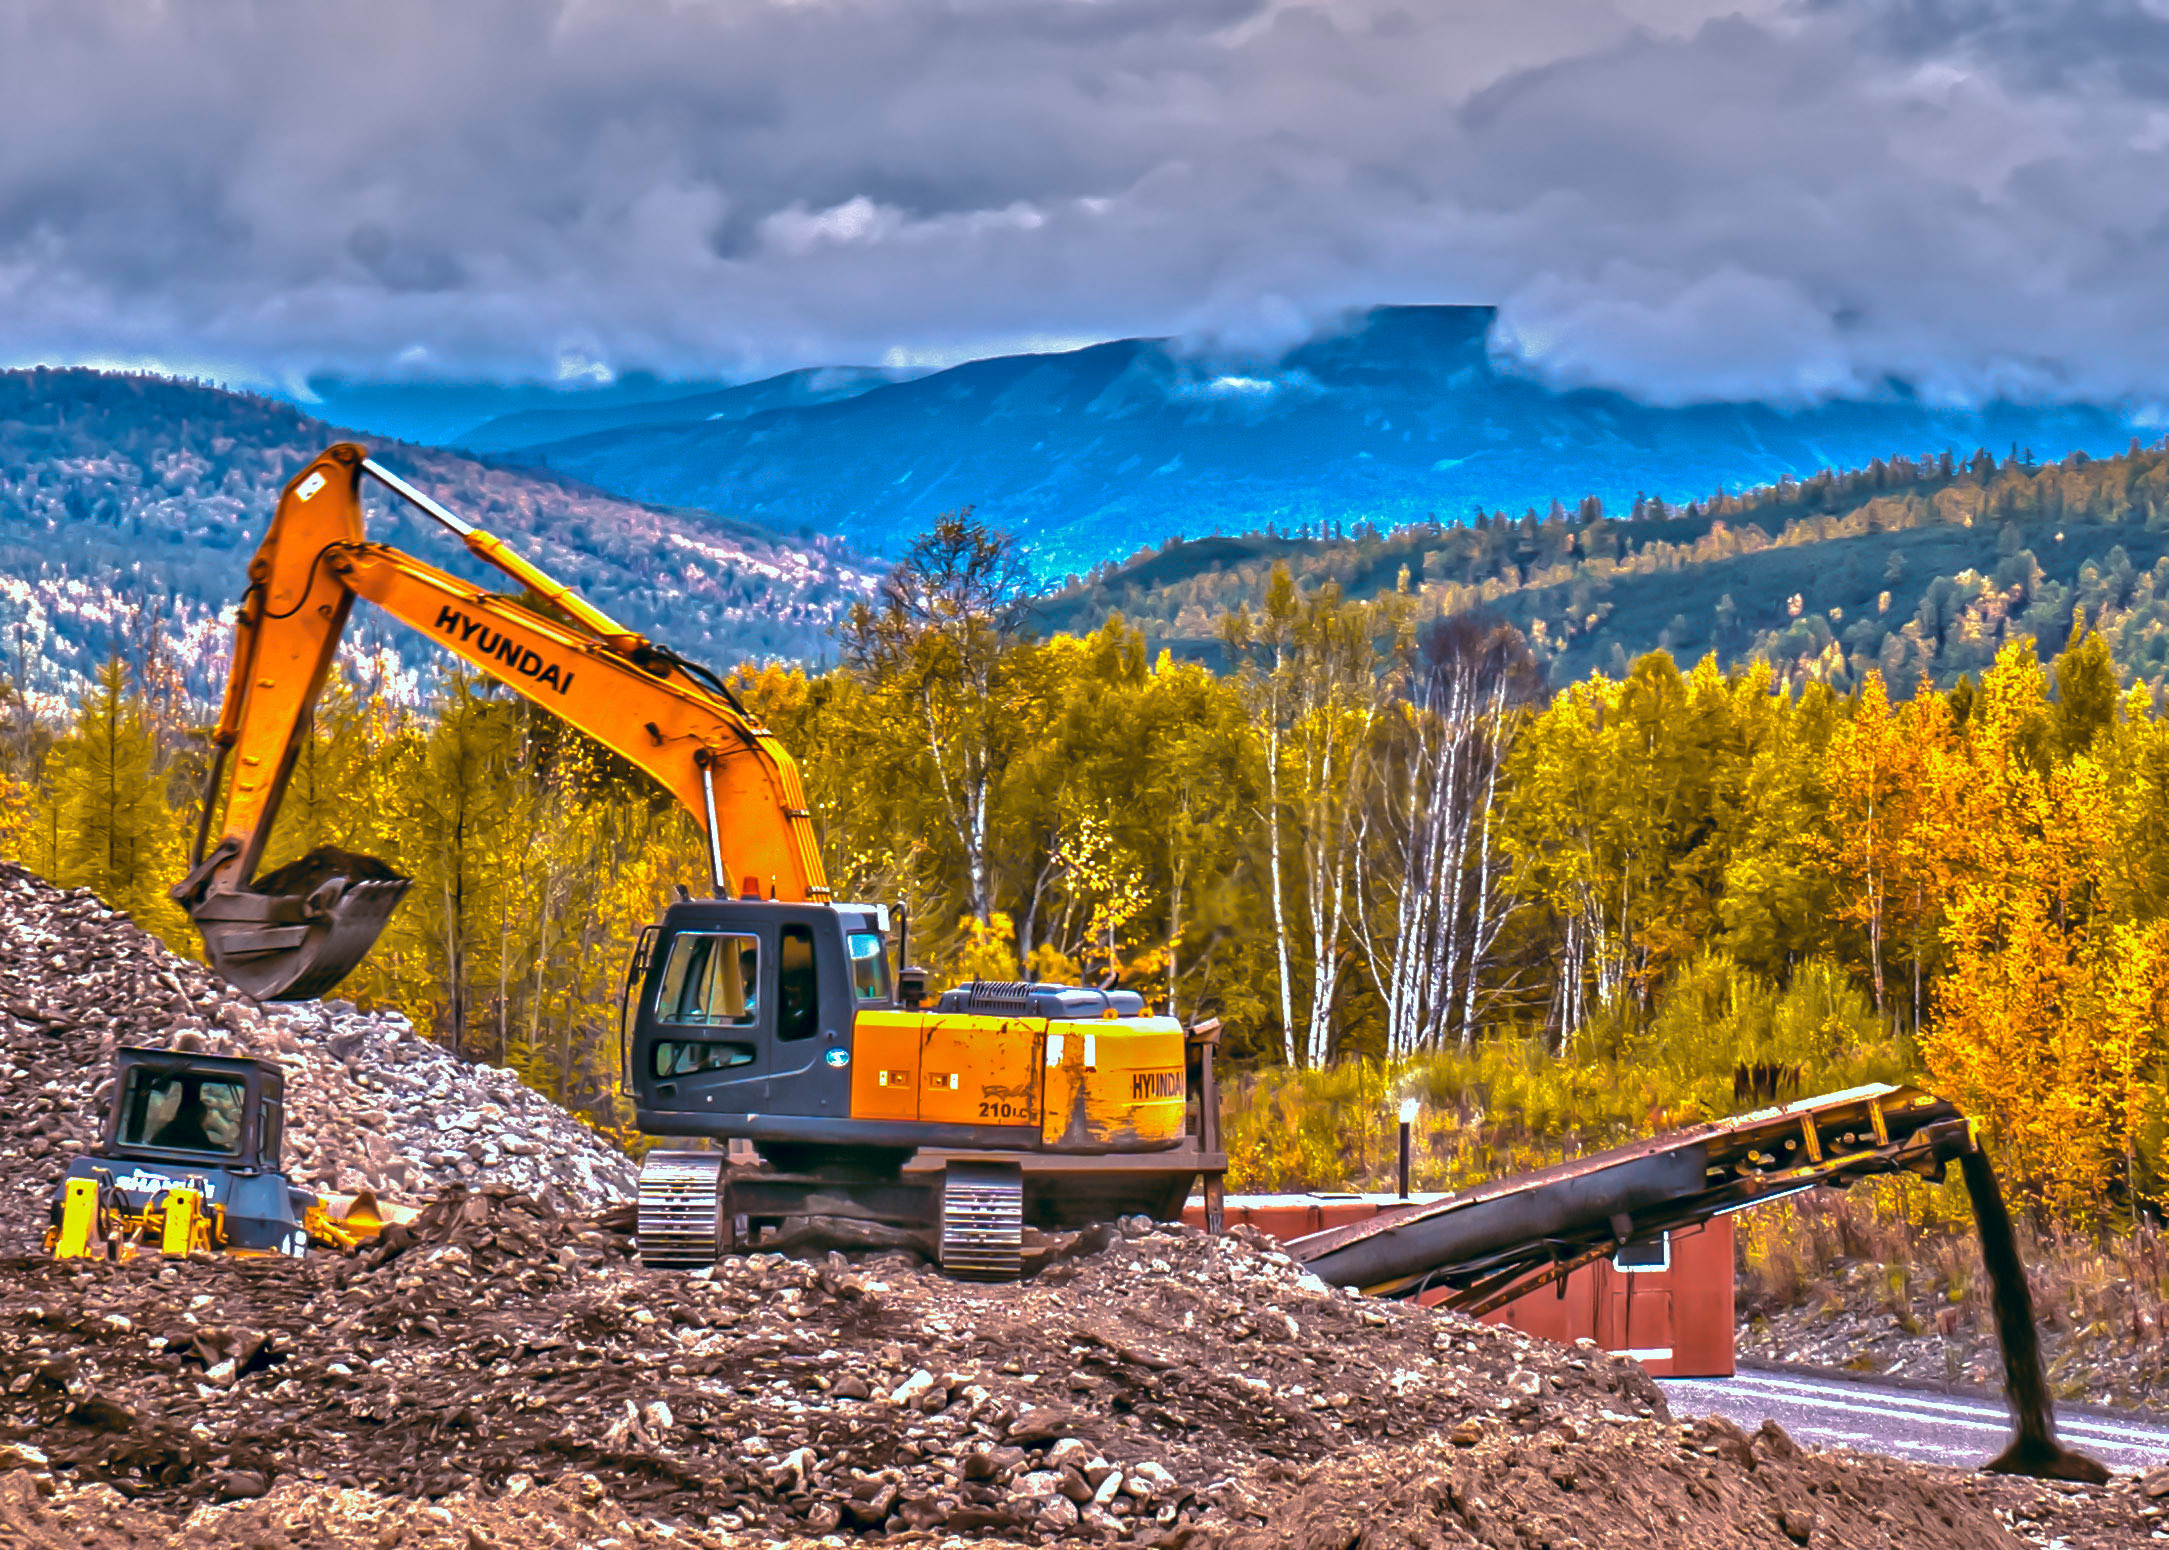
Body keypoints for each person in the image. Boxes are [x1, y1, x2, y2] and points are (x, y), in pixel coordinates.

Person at [149, 1079, 216, 1152]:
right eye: (204, 1114)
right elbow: (207, 1151)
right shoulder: (196, 1132)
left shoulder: (168, 1130)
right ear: (199, 1115)